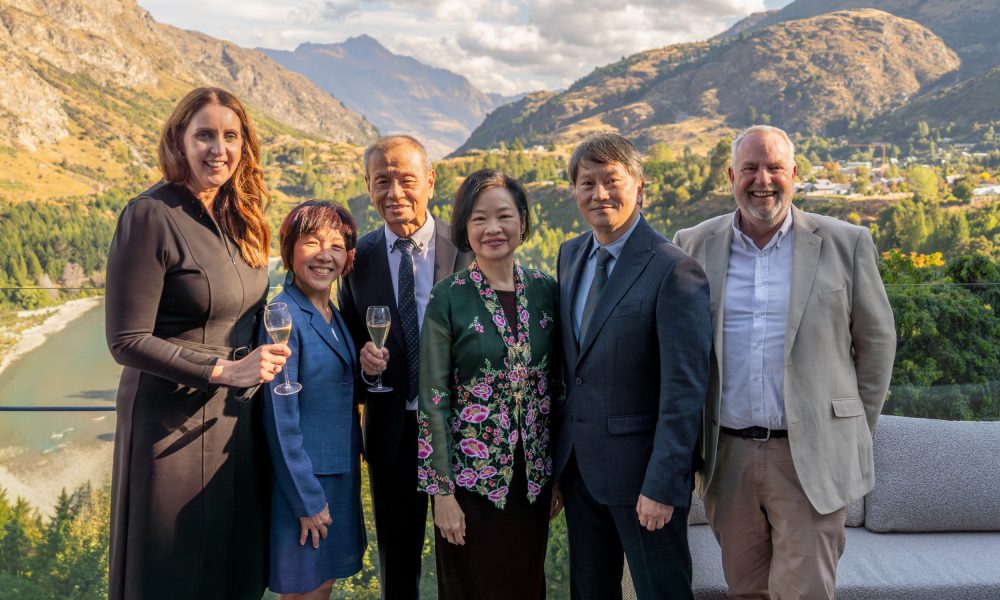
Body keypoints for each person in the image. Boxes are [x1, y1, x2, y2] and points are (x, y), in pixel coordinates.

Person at [673, 125, 896, 600]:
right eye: (750, 168)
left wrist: (848, 426)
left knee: (806, 593)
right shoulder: (692, 245)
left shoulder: (846, 242)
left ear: (794, 173)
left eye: (774, 167)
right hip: (725, 458)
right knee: (745, 591)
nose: (763, 179)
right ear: (731, 175)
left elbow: (876, 345)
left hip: (809, 457)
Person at [105, 87, 288, 600]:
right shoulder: (149, 215)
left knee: (234, 568)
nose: (218, 149)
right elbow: (126, 340)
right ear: (178, 140)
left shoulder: (240, 216)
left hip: (236, 424)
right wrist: (224, 371)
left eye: (231, 136)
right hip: (169, 427)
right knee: (173, 572)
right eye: (204, 134)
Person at [553, 133, 712, 600]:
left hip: (645, 482)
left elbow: (685, 390)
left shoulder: (674, 269)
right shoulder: (570, 255)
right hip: (580, 475)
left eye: (611, 181)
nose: (599, 194)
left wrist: (664, 484)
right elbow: (573, 370)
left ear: (639, 186)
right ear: (575, 191)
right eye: (587, 183)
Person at [337, 135, 474, 599]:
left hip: (464, 432)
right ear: (369, 188)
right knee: (398, 566)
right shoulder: (356, 260)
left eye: (406, 180)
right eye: (382, 181)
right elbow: (350, 341)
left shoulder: (469, 248)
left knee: (466, 559)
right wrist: (365, 364)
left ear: (430, 182)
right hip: (392, 436)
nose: (395, 192)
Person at [416, 169, 563, 599]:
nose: (493, 228)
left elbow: (558, 388)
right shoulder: (448, 296)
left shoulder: (546, 291)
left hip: (533, 485)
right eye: (480, 218)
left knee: (525, 586)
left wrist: (557, 477)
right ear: (465, 227)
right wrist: (441, 495)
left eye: (504, 216)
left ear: (522, 221)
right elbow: (433, 401)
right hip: (469, 486)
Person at [260, 201, 366, 599]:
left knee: (322, 586)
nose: (326, 255)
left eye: (337, 246)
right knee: (304, 592)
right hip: (305, 484)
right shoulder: (282, 314)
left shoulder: (330, 311)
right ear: (289, 250)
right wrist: (307, 498)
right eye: (312, 242)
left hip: (337, 473)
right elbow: (279, 418)